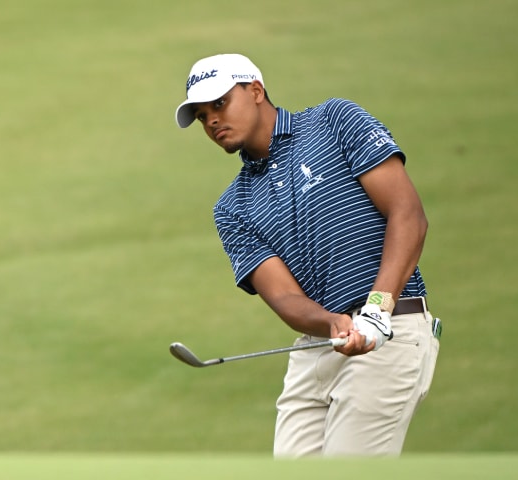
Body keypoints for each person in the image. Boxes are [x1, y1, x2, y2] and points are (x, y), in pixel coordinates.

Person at [174, 53, 441, 457]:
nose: (211, 120)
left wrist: (377, 308)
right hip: (316, 349)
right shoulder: (232, 207)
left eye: (221, 103)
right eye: (201, 115)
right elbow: (283, 297)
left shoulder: (335, 121)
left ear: (256, 90)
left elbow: (408, 214)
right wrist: (330, 322)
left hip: (390, 333)